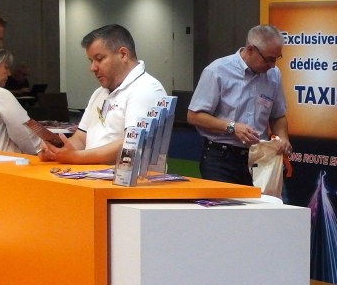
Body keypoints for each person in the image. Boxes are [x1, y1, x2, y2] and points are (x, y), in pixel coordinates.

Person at [39, 24, 166, 165]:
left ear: (123, 54)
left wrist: (77, 157)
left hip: (130, 178)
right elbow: (81, 139)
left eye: (99, 59)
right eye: (91, 61)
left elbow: (133, 144)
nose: (92, 68)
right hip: (93, 175)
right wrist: (58, 151)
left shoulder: (146, 89)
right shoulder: (99, 93)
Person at [187, 24, 291, 185]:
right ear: (250, 50)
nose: (273, 65)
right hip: (221, 159)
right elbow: (194, 116)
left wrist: (283, 138)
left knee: (261, 202)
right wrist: (232, 127)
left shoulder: (274, 75)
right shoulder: (217, 71)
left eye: (277, 58)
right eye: (269, 59)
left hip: (259, 158)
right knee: (225, 202)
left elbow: (278, 116)